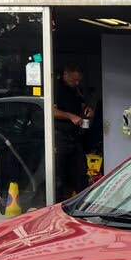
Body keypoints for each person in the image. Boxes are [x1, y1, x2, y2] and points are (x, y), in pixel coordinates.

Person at [53, 65, 93, 199]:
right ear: (65, 74)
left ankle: (80, 201)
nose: (76, 83)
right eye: (73, 80)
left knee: (80, 173)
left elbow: (82, 105)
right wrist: (71, 116)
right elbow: (52, 111)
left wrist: (88, 110)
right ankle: (58, 202)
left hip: (75, 137)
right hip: (60, 137)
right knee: (59, 175)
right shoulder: (56, 89)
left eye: (78, 81)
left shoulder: (76, 90)